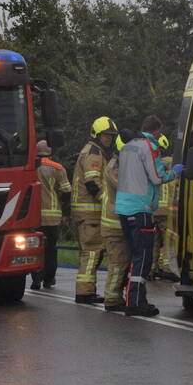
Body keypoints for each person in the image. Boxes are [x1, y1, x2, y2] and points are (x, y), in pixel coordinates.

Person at [115, 115, 182, 317]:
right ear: (155, 131)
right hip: (141, 208)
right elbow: (156, 177)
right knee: (143, 258)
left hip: (124, 208)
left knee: (135, 255)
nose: (160, 136)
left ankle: (136, 299)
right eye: (160, 132)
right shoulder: (149, 146)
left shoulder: (127, 147)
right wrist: (176, 172)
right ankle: (135, 303)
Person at [71, 116, 118, 303]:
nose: (109, 139)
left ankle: (87, 290)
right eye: (106, 136)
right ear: (96, 135)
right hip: (89, 212)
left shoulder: (94, 151)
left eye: (111, 136)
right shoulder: (94, 153)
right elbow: (92, 183)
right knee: (91, 252)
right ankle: (85, 292)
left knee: (90, 252)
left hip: (86, 212)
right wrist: (109, 202)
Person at [100, 129, 136, 312]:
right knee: (117, 262)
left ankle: (117, 295)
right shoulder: (115, 166)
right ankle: (112, 299)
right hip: (114, 224)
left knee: (124, 261)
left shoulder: (121, 163)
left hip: (121, 223)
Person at [32, 139, 70, 290]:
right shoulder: (57, 168)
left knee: (35, 249)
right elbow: (66, 191)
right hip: (52, 217)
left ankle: (36, 279)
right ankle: (49, 279)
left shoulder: (29, 166)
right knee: (51, 249)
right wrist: (65, 211)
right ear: (50, 152)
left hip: (32, 217)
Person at [150, 134, 179, 282]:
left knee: (153, 241)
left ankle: (151, 269)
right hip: (166, 211)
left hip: (152, 210)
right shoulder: (171, 163)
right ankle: (166, 268)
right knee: (168, 241)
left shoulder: (153, 163)